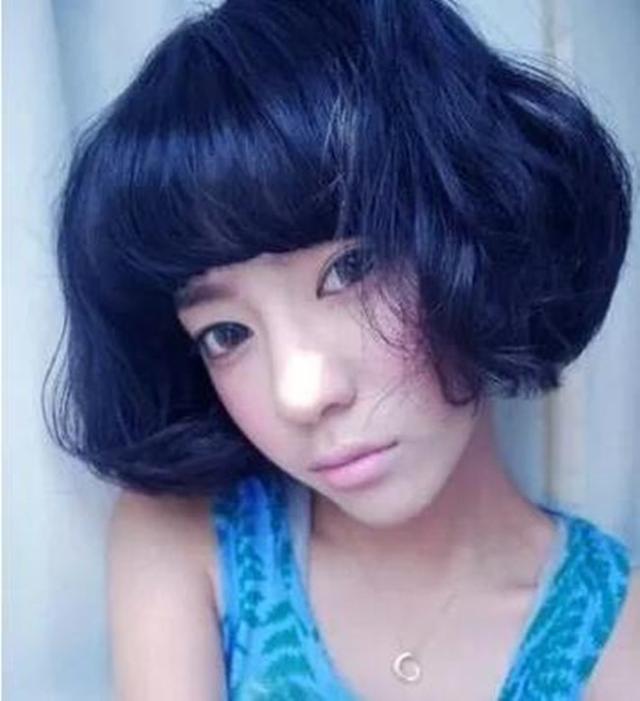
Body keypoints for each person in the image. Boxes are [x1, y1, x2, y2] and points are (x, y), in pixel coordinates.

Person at [46, 0, 639, 699]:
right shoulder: (193, 540)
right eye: (226, 334)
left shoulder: (614, 632)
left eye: (351, 269)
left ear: (476, 234)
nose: (300, 393)